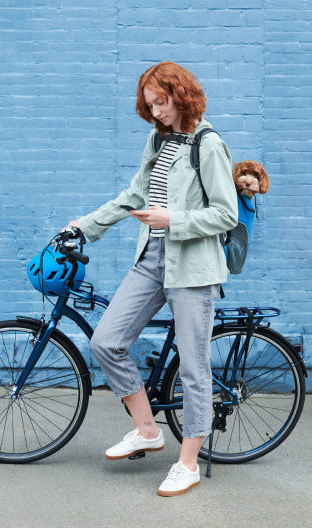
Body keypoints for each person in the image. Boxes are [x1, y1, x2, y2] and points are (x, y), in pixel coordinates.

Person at [63, 61, 238, 497]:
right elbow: (135, 194)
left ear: (181, 94)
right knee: (106, 340)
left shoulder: (208, 144)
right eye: (150, 104)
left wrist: (171, 218)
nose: (156, 111)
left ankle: (188, 464)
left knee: (194, 367)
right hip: (152, 257)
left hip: (192, 266)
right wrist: (86, 225)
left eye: (161, 102)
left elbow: (225, 213)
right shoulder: (158, 139)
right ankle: (147, 429)